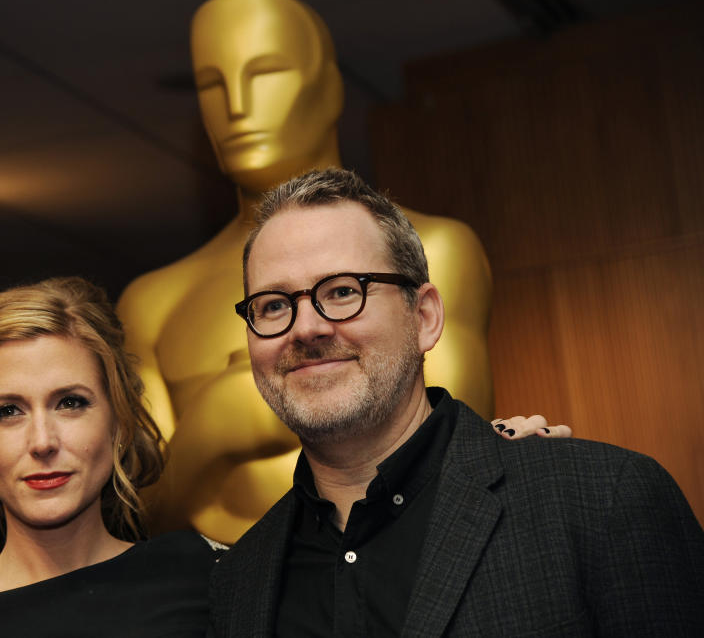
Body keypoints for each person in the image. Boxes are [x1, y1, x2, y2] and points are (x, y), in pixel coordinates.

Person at [207, 168, 704, 636]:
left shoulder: (604, 501)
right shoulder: (238, 582)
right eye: (273, 305)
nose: (307, 327)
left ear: (424, 317)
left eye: (342, 291)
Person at [118, 0, 504, 544]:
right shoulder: (154, 302)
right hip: (222, 598)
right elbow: (136, 517)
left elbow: (459, 454)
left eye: (266, 72)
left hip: (398, 561)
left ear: (328, 87)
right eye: (211, 84)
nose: (236, 105)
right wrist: (215, 426)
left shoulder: (435, 248)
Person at [0, 277, 217, 637]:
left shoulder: (203, 574)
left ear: (118, 422)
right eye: (9, 411)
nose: (42, 442)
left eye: (70, 403)